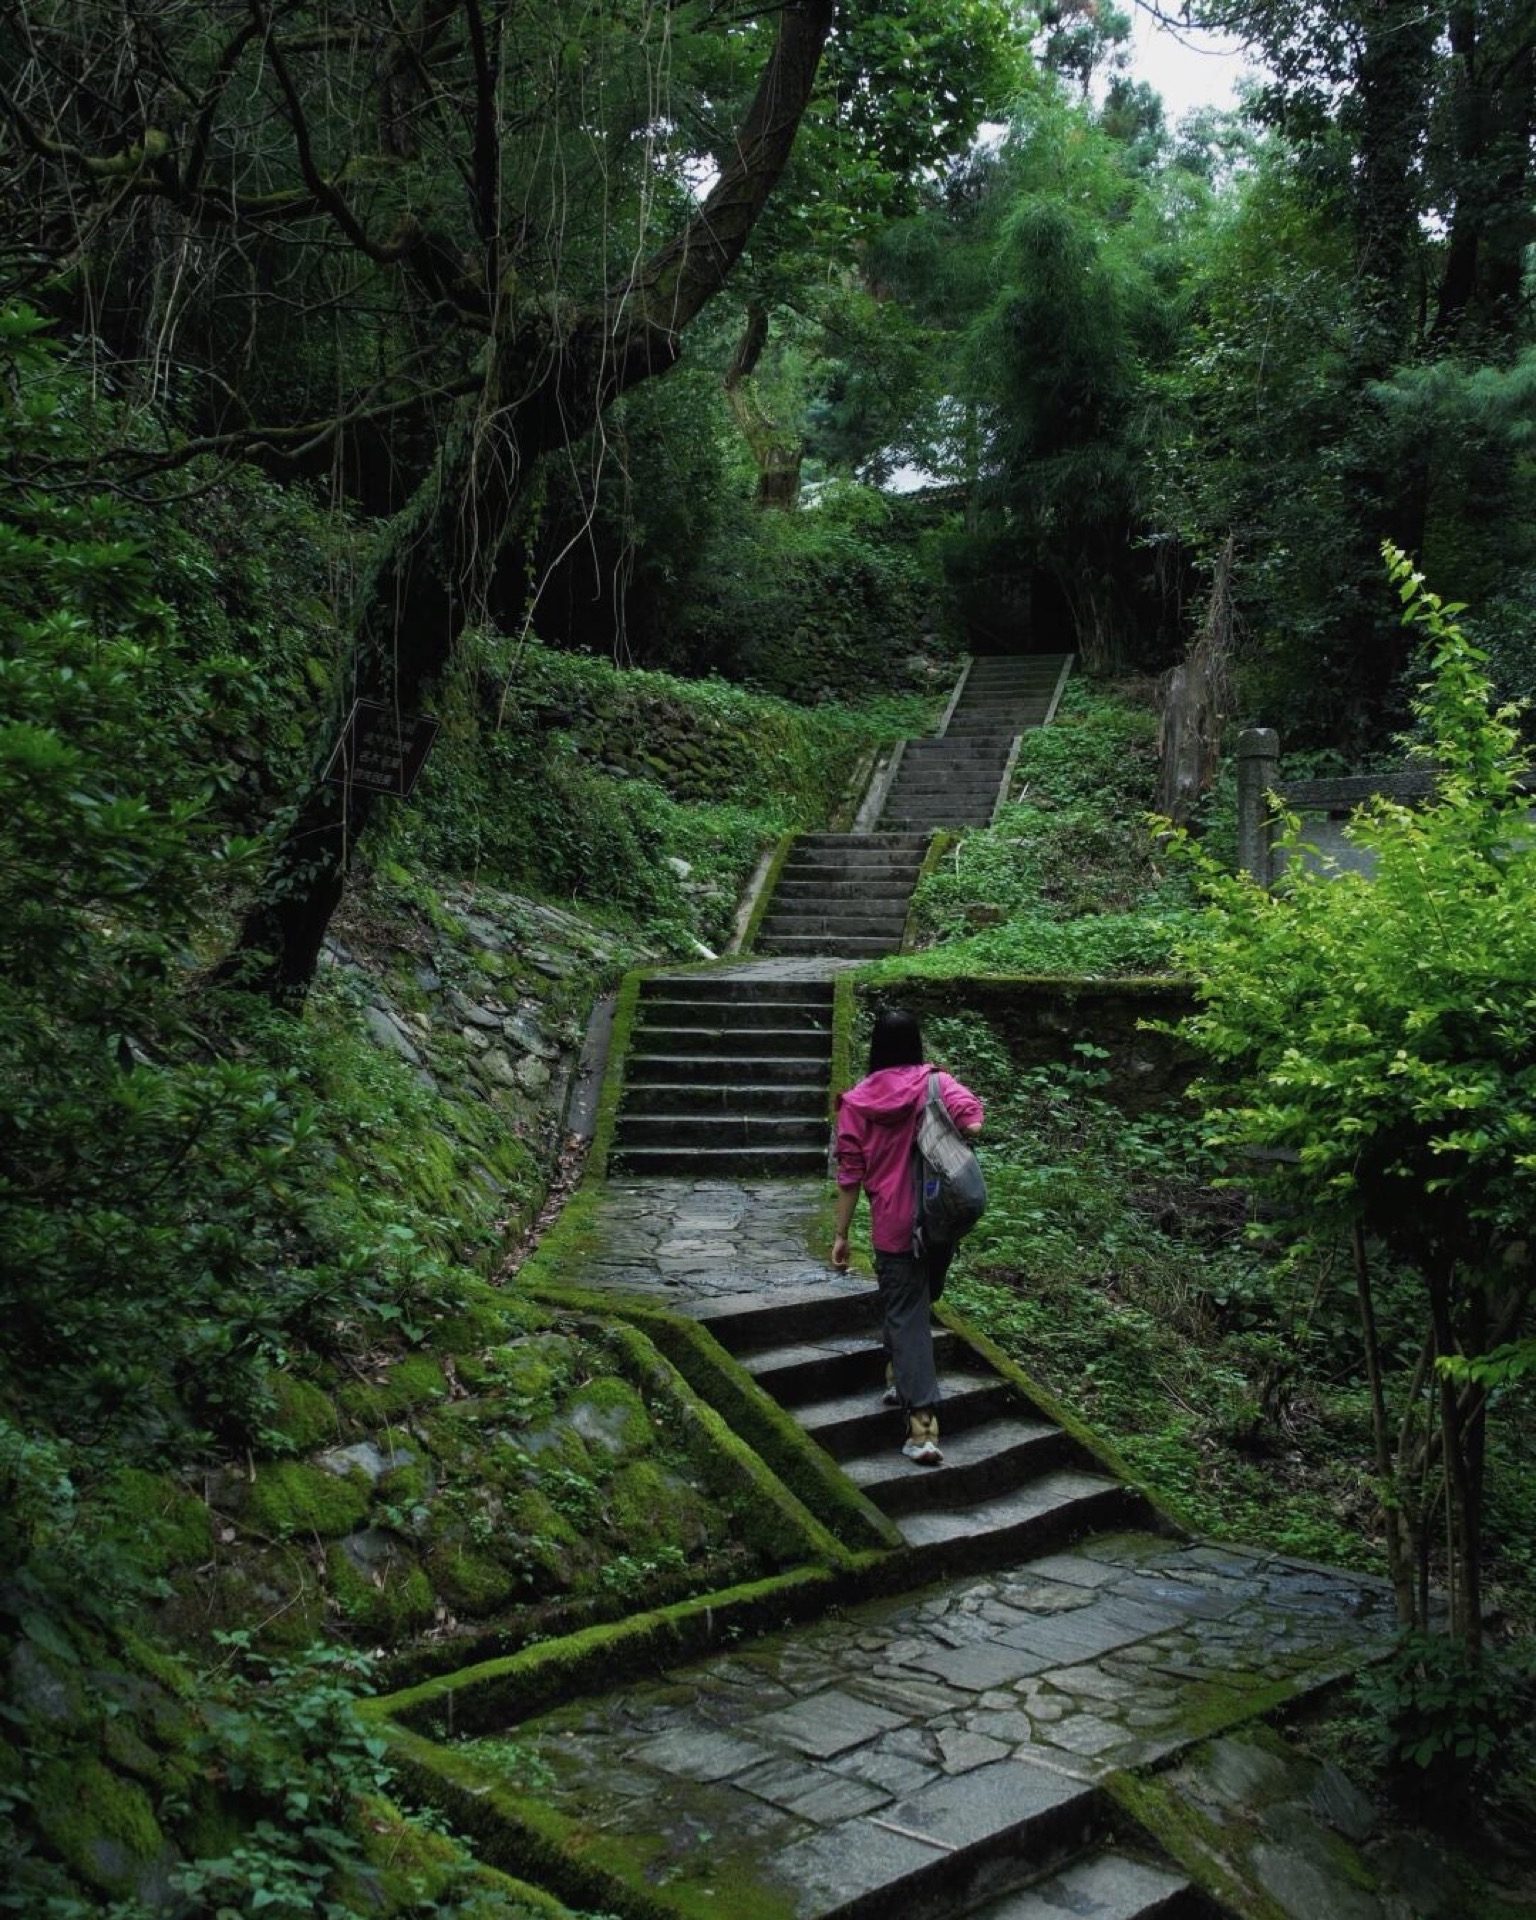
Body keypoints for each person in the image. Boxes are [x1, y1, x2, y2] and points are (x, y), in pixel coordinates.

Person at [831, 1008, 984, 1466]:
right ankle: (920, 1420)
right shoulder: (935, 1083)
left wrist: (841, 1234)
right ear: (917, 1043)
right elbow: (973, 1120)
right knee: (916, 1305)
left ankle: (919, 1428)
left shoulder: (856, 1104)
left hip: (894, 1229)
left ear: (875, 1047)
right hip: (939, 1219)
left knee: (906, 1312)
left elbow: (849, 1176)